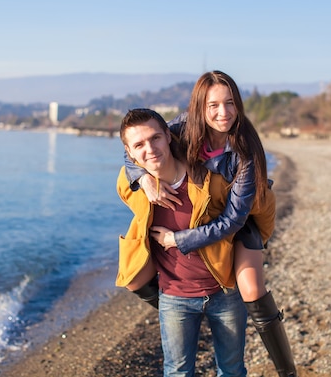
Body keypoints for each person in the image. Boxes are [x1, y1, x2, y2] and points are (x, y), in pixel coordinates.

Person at [125, 71, 297, 377]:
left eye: (230, 103)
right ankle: (182, 310)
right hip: (205, 216)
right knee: (133, 277)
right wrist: (143, 178)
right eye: (213, 105)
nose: (223, 112)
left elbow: (234, 219)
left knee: (251, 288)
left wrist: (179, 240)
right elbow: (137, 147)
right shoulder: (180, 127)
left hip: (241, 216)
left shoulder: (246, 150)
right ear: (198, 108)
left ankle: (287, 370)